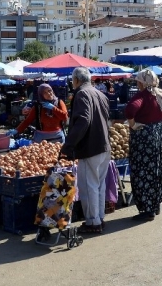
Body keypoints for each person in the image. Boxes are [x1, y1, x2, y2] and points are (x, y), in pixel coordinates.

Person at [124, 69, 162, 222]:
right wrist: (161, 117)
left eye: (138, 81)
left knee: (142, 171)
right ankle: (155, 205)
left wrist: (133, 125)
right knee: (158, 169)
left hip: (145, 138)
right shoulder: (160, 94)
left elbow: (130, 110)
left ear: (143, 83)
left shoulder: (143, 96)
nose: (137, 84)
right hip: (160, 134)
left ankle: (147, 210)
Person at [60, 67, 111, 234]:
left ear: (76, 80)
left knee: (89, 186)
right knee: (99, 185)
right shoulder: (100, 94)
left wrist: (69, 145)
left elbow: (83, 121)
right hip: (103, 145)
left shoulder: (82, 94)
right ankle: (99, 218)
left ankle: (93, 222)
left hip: (90, 147)